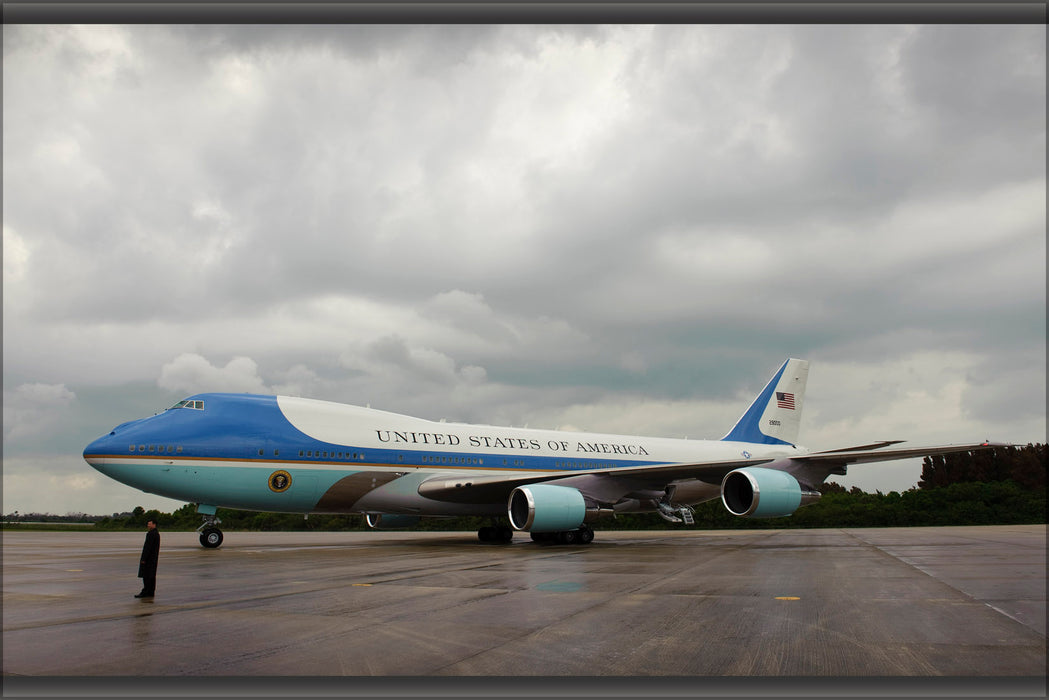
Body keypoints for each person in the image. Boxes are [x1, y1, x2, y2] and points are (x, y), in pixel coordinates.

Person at [135, 518, 160, 598]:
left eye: (149, 524)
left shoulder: (150, 534)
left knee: (146, 576)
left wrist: (143, 559)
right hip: (154, 559)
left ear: (154, 524)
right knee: (152, 576)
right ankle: (151, 592)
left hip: (148, 559)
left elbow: (147, 548)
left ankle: (145, 591)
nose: (148, 525)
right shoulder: (157, 534)